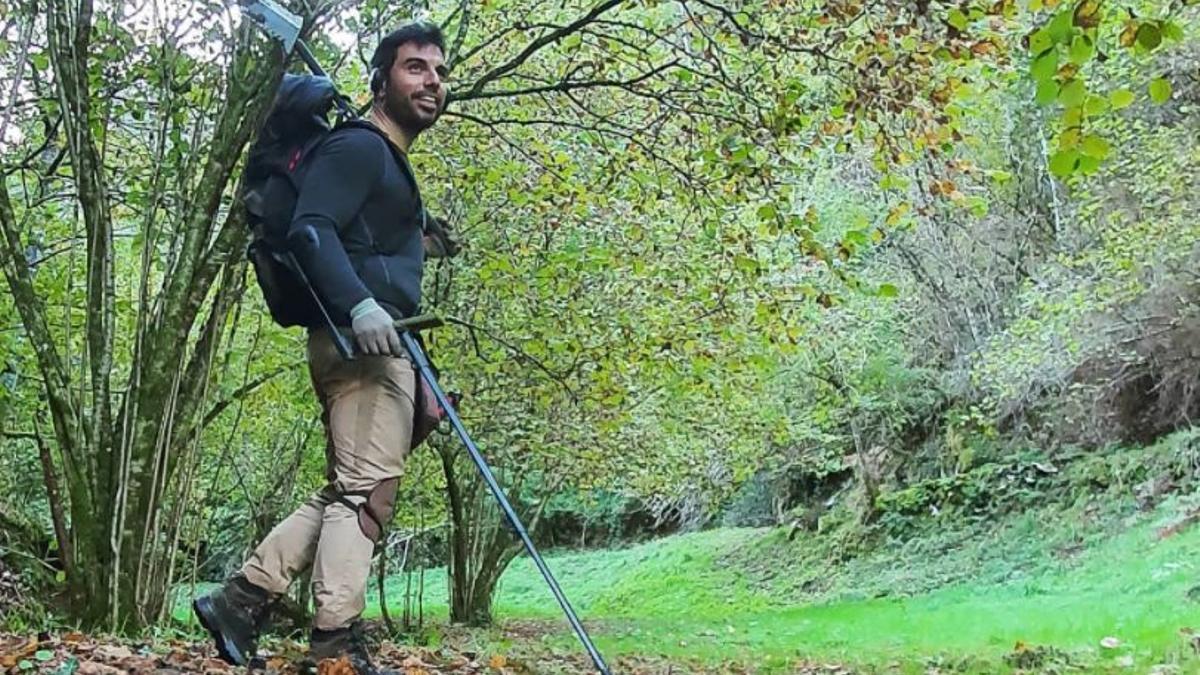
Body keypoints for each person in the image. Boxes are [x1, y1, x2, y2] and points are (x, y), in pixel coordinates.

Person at [193, 21, 453, 675]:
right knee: (365, 496)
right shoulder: (359, 148)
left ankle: (242, 597)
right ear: (381, 78)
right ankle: (335, 645)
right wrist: (361, 304)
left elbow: (361, 240)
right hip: (358, 341)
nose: (432, 82)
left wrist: (415, 239)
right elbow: (312, 231)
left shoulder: (385, 161)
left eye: (440, 72)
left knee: (354, 490)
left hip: (382, 342)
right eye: (416, 67)